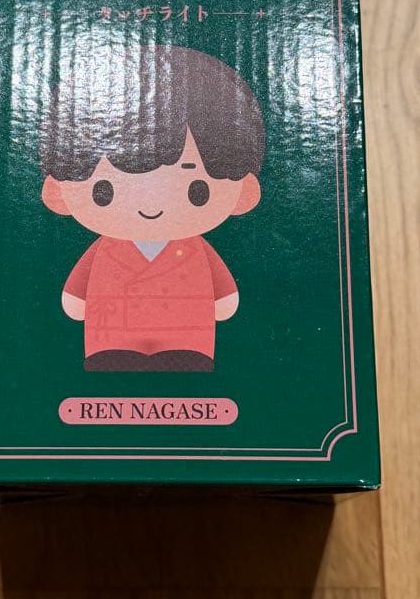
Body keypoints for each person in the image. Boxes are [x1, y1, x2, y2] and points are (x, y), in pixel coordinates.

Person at [39, 44, 265, 371]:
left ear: (245, 191)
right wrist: (76, 297)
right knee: (112, 364)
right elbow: (77, 293)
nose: (150, 204)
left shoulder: (195, 249)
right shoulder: (106, 249)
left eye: (196, 191)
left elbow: (224, 296)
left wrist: (223, 296)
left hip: (187, 334)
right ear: (56, 190)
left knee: (186, 365)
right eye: (104, 191)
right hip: (112, 335)